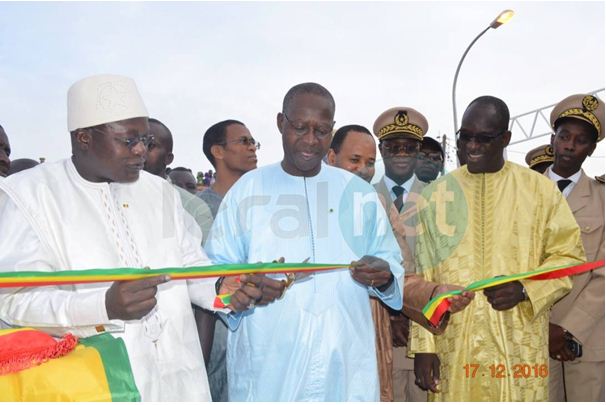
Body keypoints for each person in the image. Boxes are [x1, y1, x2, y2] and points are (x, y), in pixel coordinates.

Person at [0, 74, 268, 401]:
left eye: (146, 139)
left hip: (180, 381)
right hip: (98, 383)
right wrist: (103, 305)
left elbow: (192, 267)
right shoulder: (29, 196)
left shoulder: (161, 193)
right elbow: (16, 300)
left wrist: (222, 289)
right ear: (84, 137)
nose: (141, 150)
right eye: (129, 141)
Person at [205, 82, 404, 401]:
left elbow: (390, 263)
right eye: (300, 128)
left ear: (332, 130)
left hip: (345, 359)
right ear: (281, 123)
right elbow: (215, 273)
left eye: (322, 130)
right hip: (270, 363)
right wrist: (242, 287)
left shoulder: (359, 193)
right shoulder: (247, 191)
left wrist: (384, 276)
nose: (311, 140)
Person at [409, 95, 585, 401]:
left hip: (517, 346)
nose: (471, 147)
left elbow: (568, 258)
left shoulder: (540, 191)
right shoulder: (437, 195)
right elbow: (423, 273)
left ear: (505, 138)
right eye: (466, 137)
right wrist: (425, 346)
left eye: (484, 139)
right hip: (455, 343)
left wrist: (525, 289)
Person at [327, 124, 472, 401]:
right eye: (354, 160)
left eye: (369, 163)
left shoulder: (378, 206)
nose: (363, 169)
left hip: (369, 332)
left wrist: (433, 297)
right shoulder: (298, 204)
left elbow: (403, 274)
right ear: (332, 158)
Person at [547, 94, 605, 402]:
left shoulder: (603, 199)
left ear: (592, 149)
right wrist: (543, 325)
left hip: (586, 335)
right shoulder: (523, 193)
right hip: (534, 335)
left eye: (580, 141)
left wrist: (567, 329)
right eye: (564, 136)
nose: (570, 146)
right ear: (553, 139)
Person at [197, 118, 259, 401]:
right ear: (218, 152)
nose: (252, 148)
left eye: (253, 142)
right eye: (243, 141)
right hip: (216, 338)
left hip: (261, 333)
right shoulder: (197, 210)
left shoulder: (266, 205)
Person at [372, 106, 430, 402]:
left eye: (409, 147)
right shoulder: (363, 198)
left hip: (425, 330)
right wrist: (392, 314)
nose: (401, 153)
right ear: (381, 150)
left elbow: (441, 271)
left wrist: (412, 315)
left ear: (419, 152)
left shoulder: (438, 197)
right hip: (380, 333)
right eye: (393, 147)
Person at [143, 118, 213, 244]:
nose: (139, 150)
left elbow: (202, 259)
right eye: (133, 142)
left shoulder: (195, 207)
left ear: (168, 158)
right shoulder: (109, 192)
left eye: (150, 145)